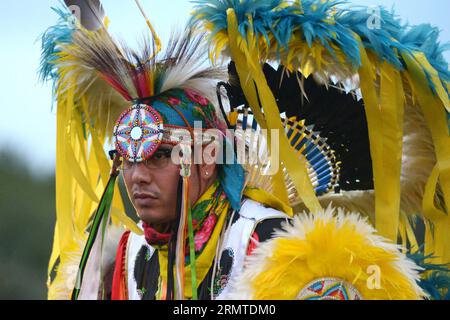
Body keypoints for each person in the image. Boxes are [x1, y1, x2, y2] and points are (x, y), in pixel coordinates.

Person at [40, 0, 450, 300]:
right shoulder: (122, 264)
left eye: (160, 155)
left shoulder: (277, 246)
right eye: (127, 160)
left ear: (205, 157)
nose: (137, 176)